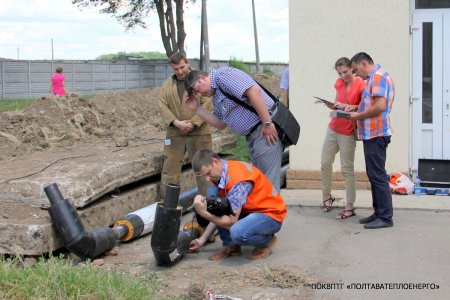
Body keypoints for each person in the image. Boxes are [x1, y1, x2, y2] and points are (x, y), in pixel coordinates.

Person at [184, 67, 283, 191]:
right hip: (254, 136)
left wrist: (267, 123)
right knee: (260, 181)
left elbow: (254, 92)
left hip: (262, 130)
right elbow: (220, 124)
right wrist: (197, 109)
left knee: (268, 184)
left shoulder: (223, 76)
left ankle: (272, 210)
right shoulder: (216, 94)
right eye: (196, 94)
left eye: (197, 90)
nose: (199, 94)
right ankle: (266, 209)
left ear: (202, 78)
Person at [188, 149, 287, 260]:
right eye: (204, 176)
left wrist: (204, 213)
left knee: (237, 232)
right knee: (213, 194)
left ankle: (267, 240)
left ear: (215, 161)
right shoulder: (222, 173)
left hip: (270, 214)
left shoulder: (237, 180)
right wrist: (202, 239)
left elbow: (231, 221)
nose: (207, 178)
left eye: (208, 173)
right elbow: (221, 211)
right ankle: (231, 245)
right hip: (252, 209)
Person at [347, 52, 395, 229]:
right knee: (374, 176)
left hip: (376, 134)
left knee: (378, 176)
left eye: (355, 70)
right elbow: (371, 104)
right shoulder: (374, 78)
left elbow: (380, 106)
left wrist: (358, 115)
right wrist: (351, 109)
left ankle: (385, 217)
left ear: (364, 63)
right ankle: (378, 213)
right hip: (372, 134)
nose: (355, 74)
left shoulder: (378, 77)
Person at [158, 52, 213, 205]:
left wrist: (193, 123)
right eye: (176, 69)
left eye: (182, 67)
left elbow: (208, 102)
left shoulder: (200, 79)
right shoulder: (167, 84)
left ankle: (209, 203)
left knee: (204, 168)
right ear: (172, 68)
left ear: (187, 62)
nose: (180, 71)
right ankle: (167, 206)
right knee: (170, 170)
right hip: (175, 133)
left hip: (199, 133)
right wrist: (176, 122)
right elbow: (162, 105)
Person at [320, 57, 366, 219]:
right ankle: (327, 197)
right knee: (325, 162)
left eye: (345, 72)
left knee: (347, 169)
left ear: (352, 69)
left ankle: (350, 206)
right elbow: (338, 101)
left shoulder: (361, 84)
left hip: (347, 131)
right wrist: (333, 105)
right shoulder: (339, 83)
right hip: (333, 127)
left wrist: (351, 107)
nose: (343, 76)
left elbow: (365, 106)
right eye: (339, 73)